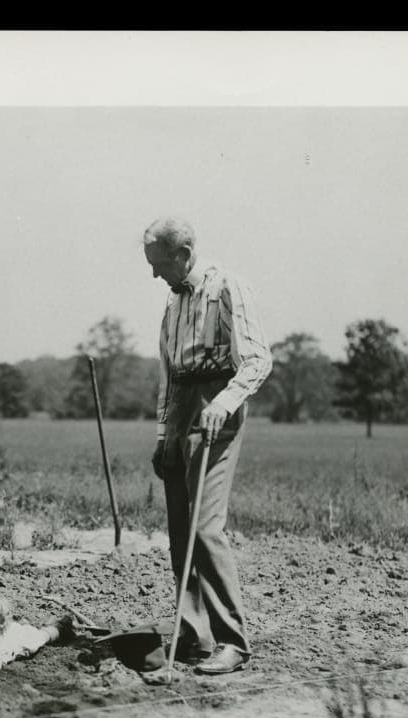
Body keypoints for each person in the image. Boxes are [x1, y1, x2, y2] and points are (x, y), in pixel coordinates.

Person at [142, 217, 273, 683]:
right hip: (181, 407)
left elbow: (258, 358)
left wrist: (224, 403)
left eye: (161, 265)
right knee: (180, 528)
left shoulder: (227, 287)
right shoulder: (170, 302)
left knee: (204, 526)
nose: (156, 275)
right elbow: (168, 372)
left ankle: (232, 641)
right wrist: (163, 436)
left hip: (217, 404)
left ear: (186, 254)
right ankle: (192, 634)